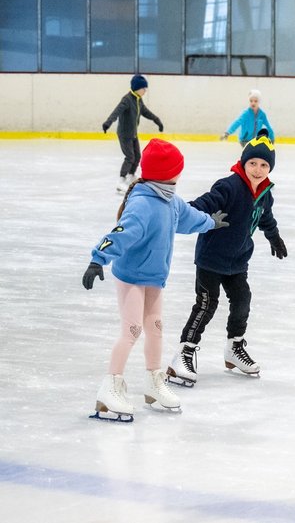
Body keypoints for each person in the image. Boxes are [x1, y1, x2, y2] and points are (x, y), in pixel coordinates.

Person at [83, 139, 227, 422]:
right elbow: (120, 233)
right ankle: (109, 388)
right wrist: (97, 259)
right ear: (169, 172)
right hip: (131, 277)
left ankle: (153, 383)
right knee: (132, 330)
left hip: (154, 277)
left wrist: (211, 223)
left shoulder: (170, 200)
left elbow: (189, 218)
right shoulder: (143, 204)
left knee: (156, 328)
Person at [167, 131, 286, 387]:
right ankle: (183, 353)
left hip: (238, 260)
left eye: (264, 165)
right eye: (252, 163)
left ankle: (234, 348)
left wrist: (274, 237)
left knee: (242, 299)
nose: (257, 169)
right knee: (206, 305)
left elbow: (265, 217)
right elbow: (205, 203)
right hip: (211, 257)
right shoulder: (229, 186)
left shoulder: (265, 193)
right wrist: (181, 212)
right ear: (243, 162)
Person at [102, 74, 164, 193]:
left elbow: (145, 112)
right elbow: (117, 112)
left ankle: (130, 176)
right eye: (144, 88)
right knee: (130, 157)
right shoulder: (127, 100)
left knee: (137, 156)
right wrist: (108, 123)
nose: (145, 91)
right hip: (125, 134)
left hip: (133, 133)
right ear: (137, 88)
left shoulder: (138, 100)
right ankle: (121, 180)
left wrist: (157, 120)